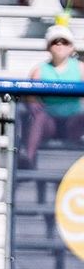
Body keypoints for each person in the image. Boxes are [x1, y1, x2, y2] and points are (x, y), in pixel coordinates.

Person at [19, 25, 84, 169]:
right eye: (55, 42)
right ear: (48, 47)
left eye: (64, 42)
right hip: (49, 124)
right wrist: (32, 101)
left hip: (73, 124)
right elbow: (30, 96)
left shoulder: (81, 68)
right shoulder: (39, 70)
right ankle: (28, 158)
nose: (60, 45)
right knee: (39, 116)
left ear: (71, 47)